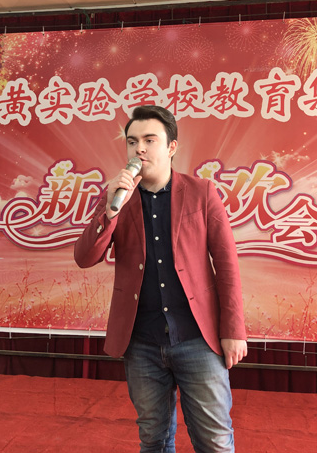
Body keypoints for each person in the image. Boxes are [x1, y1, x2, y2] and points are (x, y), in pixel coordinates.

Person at [74, 105, 247, 452]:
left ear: (171, 147)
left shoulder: (202, 192)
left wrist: (234, 331)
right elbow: (85, 257)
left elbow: (227, 266)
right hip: (142, 342)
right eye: (132, 141)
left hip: (198, 339)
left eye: (149, 140)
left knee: (214, 441)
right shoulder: (117, 198)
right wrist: (110, 210)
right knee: (153, 439)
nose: (139, 149)